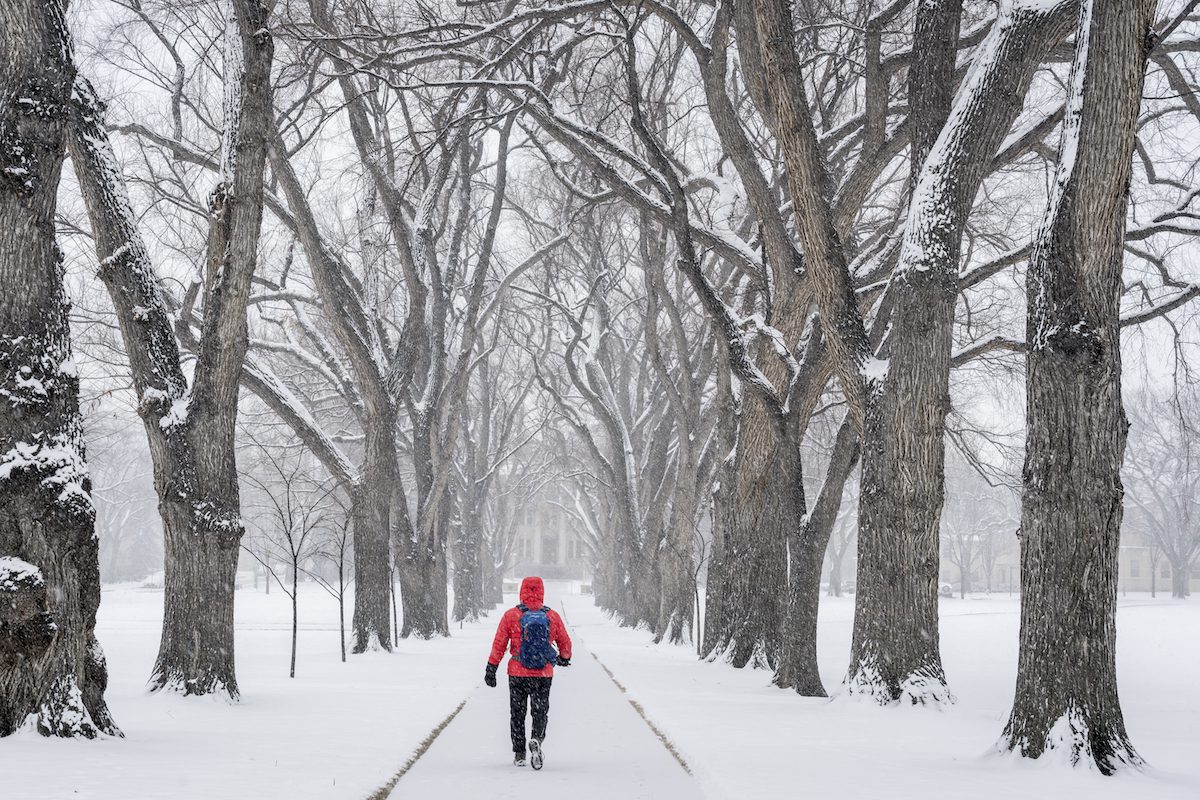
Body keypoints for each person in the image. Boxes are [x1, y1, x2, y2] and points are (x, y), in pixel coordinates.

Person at [484, 576, 572, 769]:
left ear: (522, 591)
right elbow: (565, 643)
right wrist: (564, 658)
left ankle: (519, 753)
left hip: (517, 673)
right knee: (540, 711)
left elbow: (499, 644)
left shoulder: (511, 616)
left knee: (517, 713)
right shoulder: (552, 616)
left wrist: (492, 668)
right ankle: (537, 739)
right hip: (543, 674)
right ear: (541, 592)